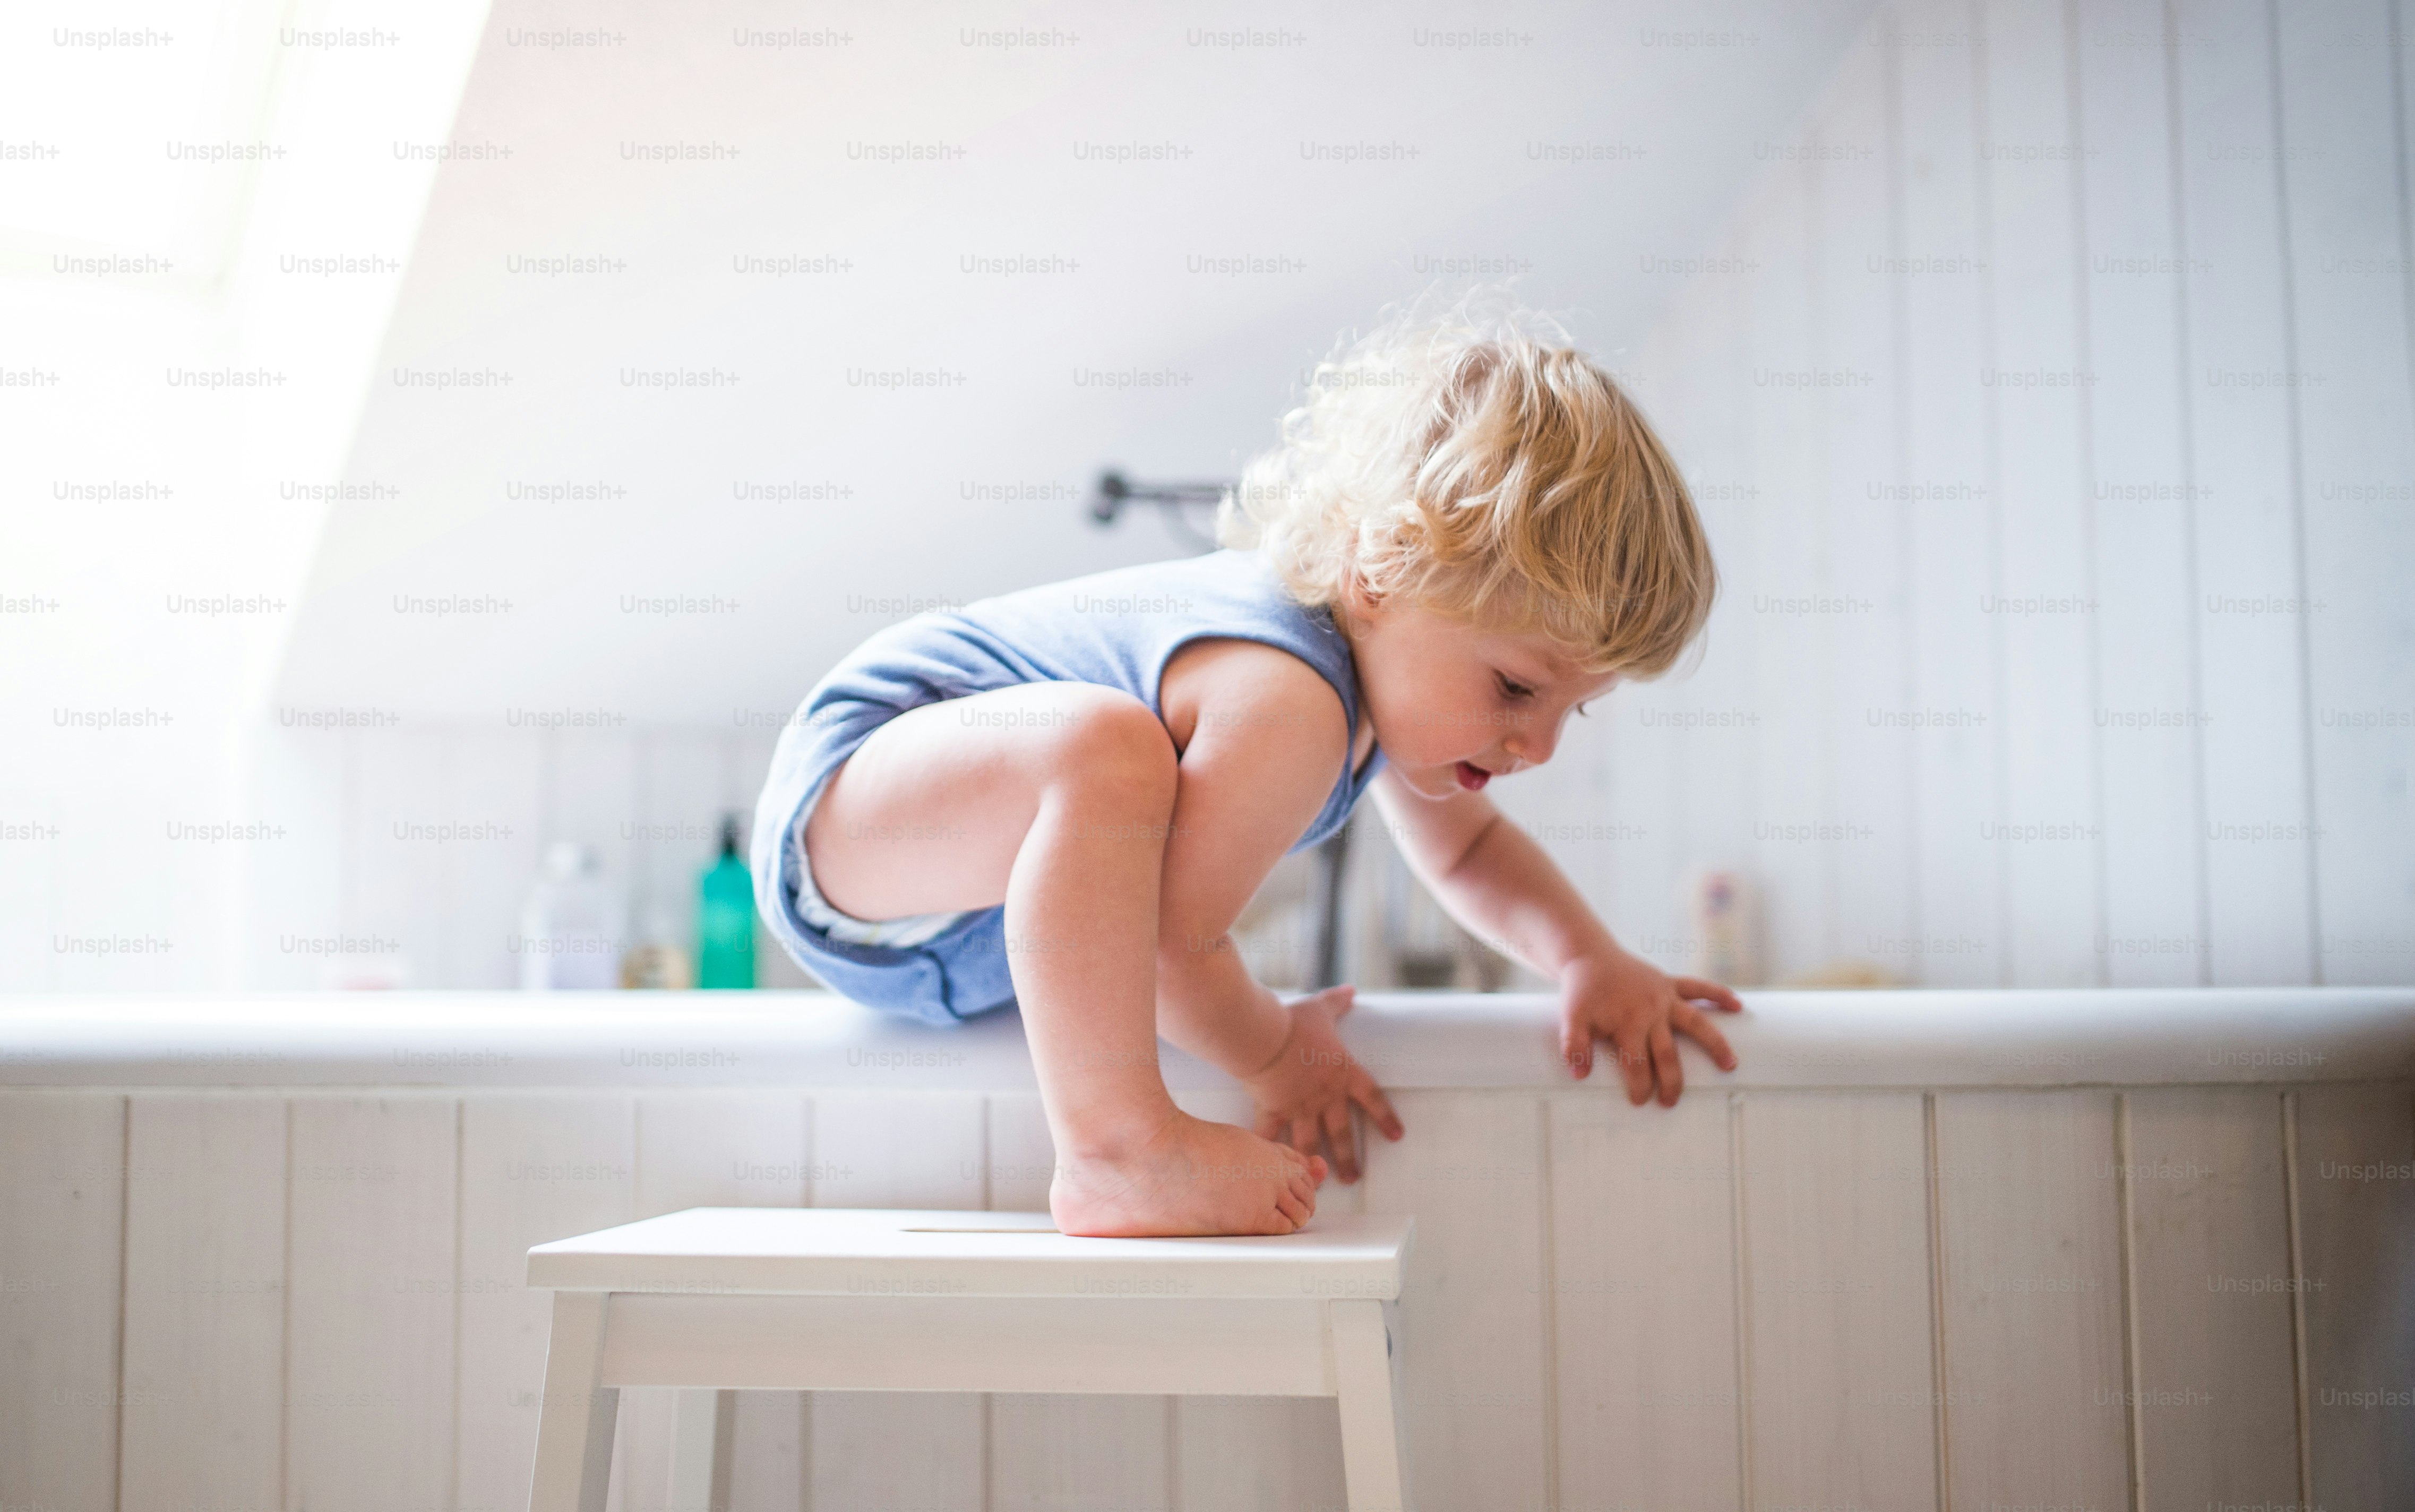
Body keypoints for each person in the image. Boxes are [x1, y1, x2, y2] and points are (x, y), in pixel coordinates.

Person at [751, 288, 1742, 1238]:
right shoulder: (1288, 697)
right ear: (1380, 574)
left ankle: (1118, 1145)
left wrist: (1586, 958)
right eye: (1516, 689)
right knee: (1105, 749)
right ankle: (1113, 1153)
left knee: (1111, 772)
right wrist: (1275, 1055)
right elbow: (1166, 944)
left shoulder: (1387, 691)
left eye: (1576, 707)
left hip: (953, 911)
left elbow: (1468, 852)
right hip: (858, 805)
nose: (1539, 746)